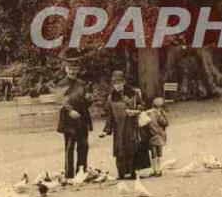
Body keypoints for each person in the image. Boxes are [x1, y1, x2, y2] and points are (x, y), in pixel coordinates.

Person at [99, 71, 151, 179]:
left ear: (124, 82)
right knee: (120, 151)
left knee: (133, 150)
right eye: (115, 83)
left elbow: (143, 105)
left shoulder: (134, 93)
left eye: (119, 82)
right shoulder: (111, 98)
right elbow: (110, 117)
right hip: (119, 129)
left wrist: (136, 111)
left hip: (132, 126)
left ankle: (133, 173)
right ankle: (122, 174)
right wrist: (105, 131)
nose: (117, 85)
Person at [54, 49, 93, 181]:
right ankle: (69, 174)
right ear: (65, 69)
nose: (73, 71)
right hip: (69, 121)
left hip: (82, 119)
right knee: (70, 147)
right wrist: (70, 111)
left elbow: (85, 103)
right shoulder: (61, 84)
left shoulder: (82, 84)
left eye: (75, 69)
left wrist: (89, 99)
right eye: (70, 68)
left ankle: (81, 172)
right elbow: (59, 101)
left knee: (83, 146)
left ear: (78, 69)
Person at [146, 97, 169, 177]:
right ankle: (159, 170)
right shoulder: (160, 114)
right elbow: (165, 123)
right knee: (159, 153)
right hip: (159, 135)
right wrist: (163, 114)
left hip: (151, 135)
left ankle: (155, 170)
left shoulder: (148, 113)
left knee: (153, 154)